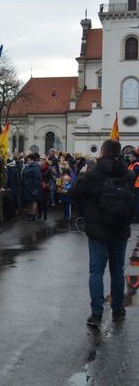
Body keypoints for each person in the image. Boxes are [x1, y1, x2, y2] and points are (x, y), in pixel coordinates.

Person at [68, 139, 135, 326]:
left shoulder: (94, 174)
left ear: (102, 152)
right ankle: (118, 310)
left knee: (96, 272)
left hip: (98, 230)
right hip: (121, 229)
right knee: (117, 271)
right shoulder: (129, 174)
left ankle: (97, 313)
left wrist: (82, 178)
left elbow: (73, 194)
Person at [21, 153, 42, 221]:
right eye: (27, 160)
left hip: (33, 187)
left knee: (34, 201)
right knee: (29, 201)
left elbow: (37, 178)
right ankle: (30, 214)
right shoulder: (28, 166)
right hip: (28, 186)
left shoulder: (36, 167)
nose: (28, 161)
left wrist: (35, 187)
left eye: (29, 160)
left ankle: (33, 215)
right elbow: (24, 174)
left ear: (32, 160)